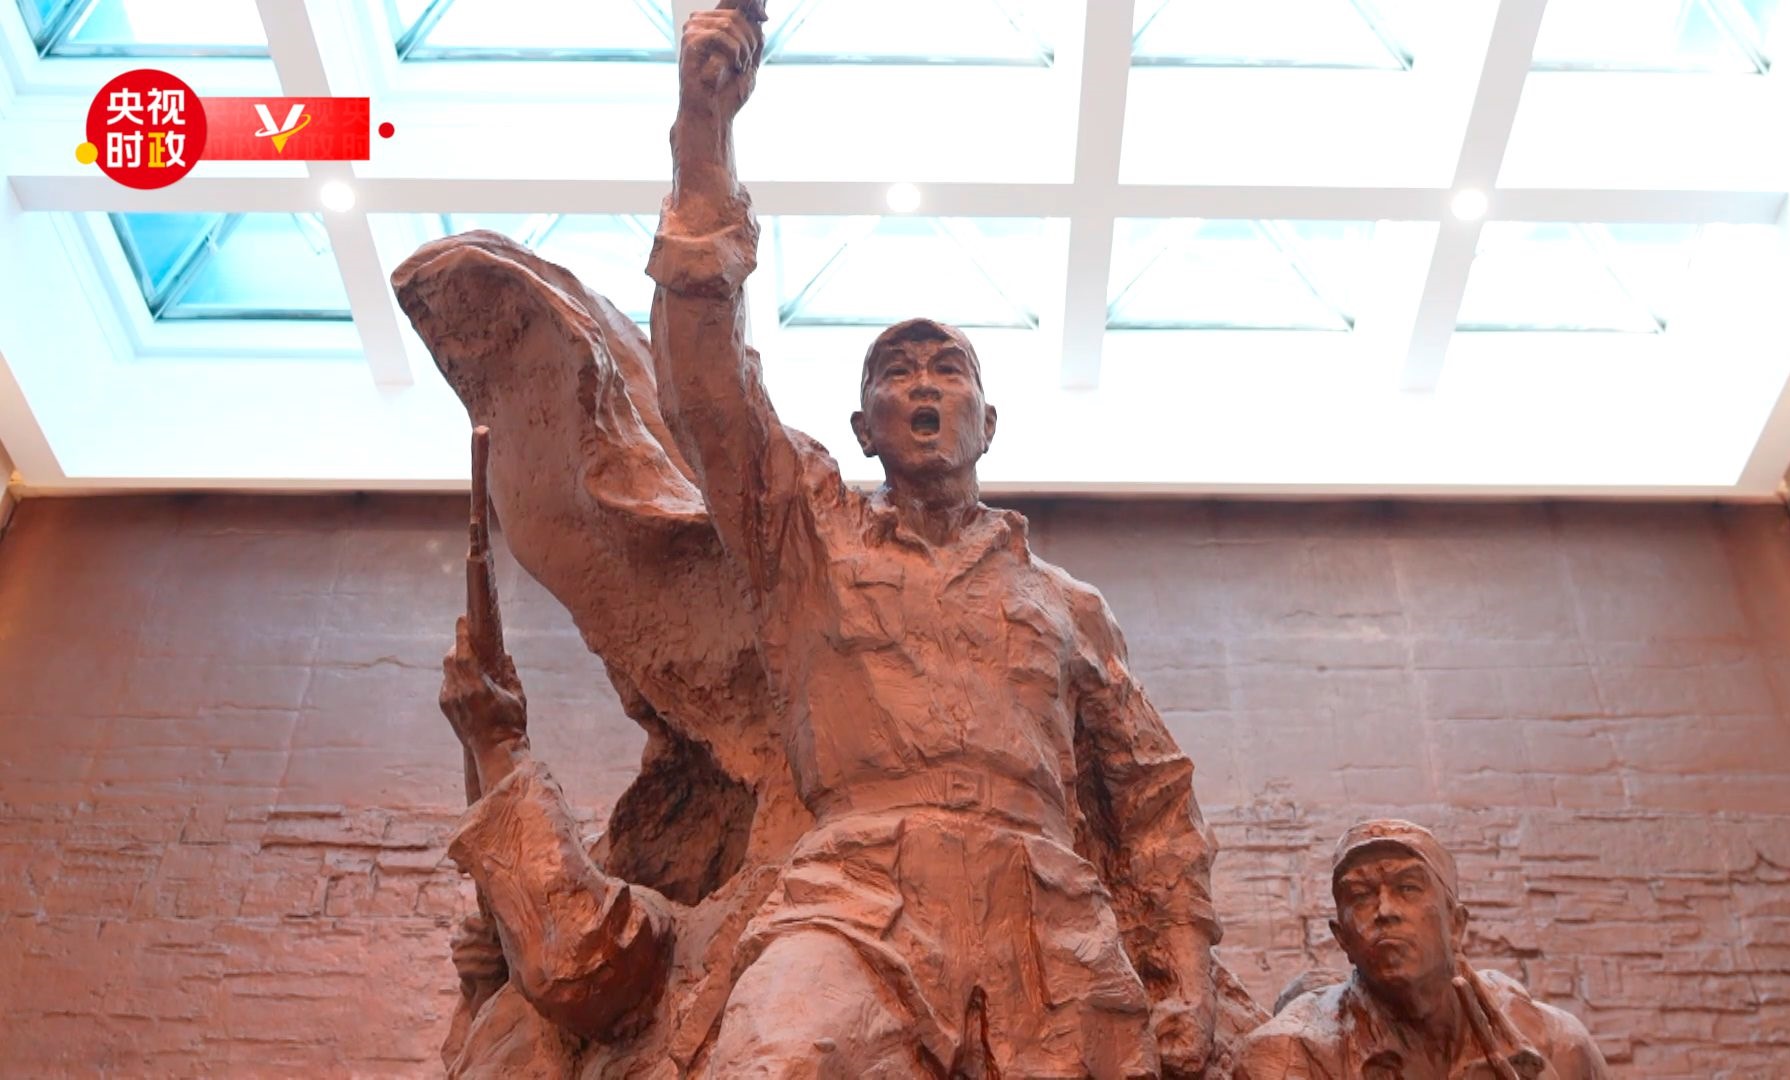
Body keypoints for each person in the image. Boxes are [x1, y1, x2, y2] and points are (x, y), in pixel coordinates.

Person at [429, 1, 1228, 1075]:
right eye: (897, 374)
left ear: (989, 423)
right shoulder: (810, 538)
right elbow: (707, 390)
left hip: (1049, 929)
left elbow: (1156, 805)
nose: (924, 387)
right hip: (855, 895)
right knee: (773, 1056)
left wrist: (1185, 979)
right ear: (864, 428)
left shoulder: (1068, 608)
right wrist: (705, 131)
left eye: (949, 371)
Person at [1234, 821, 1609, 1080]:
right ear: (1342, 938)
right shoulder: (1289, 1054)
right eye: (1360, 895)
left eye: (1408, 888)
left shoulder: (1559, 1045)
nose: (1385, 911)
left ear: (1456, 924)